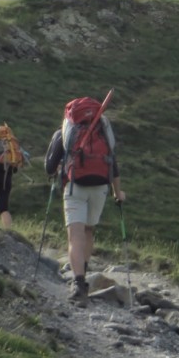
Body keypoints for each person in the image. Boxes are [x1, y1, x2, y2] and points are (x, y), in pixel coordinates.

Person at [44, 98, 126, 306]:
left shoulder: (64, 132)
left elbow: (49, 166)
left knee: (75, 236)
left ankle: (79, 283)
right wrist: (118, 192)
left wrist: (59, 170)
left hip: (75, 187)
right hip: (100, 187)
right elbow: (113, 165)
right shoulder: (103, 131)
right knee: (89, 230)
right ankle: (85, 269)